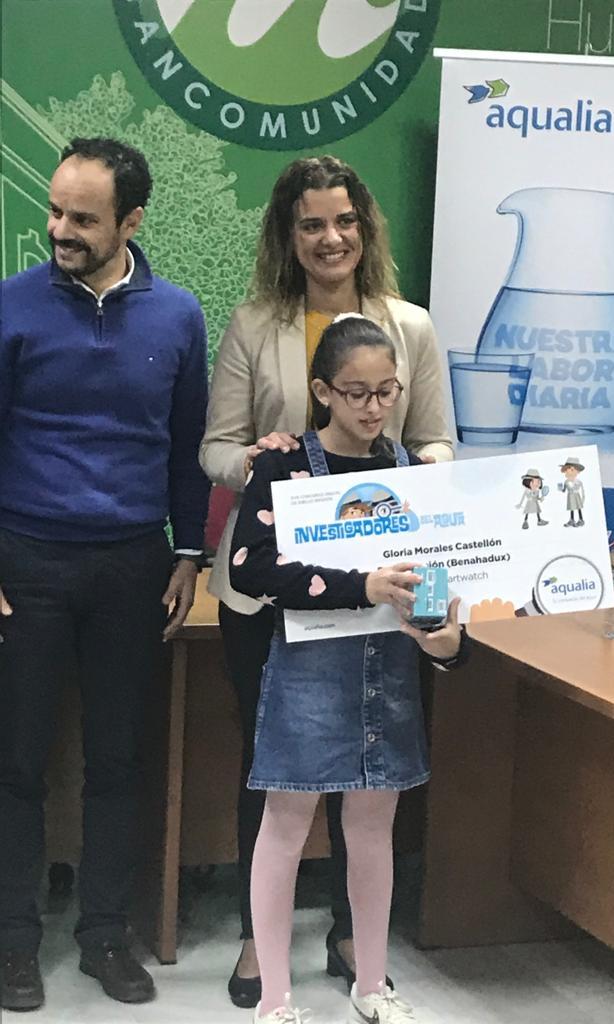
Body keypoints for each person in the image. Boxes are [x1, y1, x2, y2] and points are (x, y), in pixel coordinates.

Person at [201, 155, 453, 1007]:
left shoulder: (409, 326)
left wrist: (424, 475)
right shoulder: (255, 324)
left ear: (363, 226)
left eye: (343, 220)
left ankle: (354, 940)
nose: (330, 237)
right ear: (289, 233)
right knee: (273, 765)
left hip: (386, 586)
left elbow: (437, 439)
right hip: (272, 593)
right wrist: (257, 459)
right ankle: (258, 944)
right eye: (311, 223)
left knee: (369, 771)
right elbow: (214, 448)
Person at [0, 137, 210, 1011]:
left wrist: (190, 552)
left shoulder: (179, 317)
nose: (60, 229)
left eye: (83, 218)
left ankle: (105, 936)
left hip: (134, 565)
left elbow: (188, 446)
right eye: (55, 211)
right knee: (16, 762)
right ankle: (14, 944)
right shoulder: (10, 306)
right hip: (26, 562)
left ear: (131, 221)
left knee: (119, 761)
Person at [229, 315, 468, 1024]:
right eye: (356, 393)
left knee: (372, 830)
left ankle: (370, 982)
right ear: (322, 392)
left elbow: (437, 578)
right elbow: (251, 568)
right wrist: (359, 585)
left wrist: (442, 634)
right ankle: (275, 996)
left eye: (387, 391)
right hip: (307, 666)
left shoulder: (412, 474)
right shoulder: (283, 466)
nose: (373, 407)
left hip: (388, 667)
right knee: (285, 825)